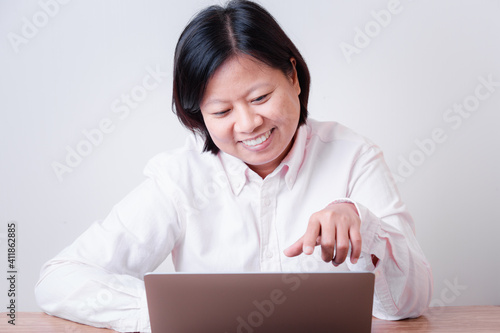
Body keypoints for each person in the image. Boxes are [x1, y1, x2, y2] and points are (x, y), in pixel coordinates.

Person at [35, 1, 433, 332]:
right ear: (199, 115)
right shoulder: (180, 179)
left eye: (260, 97)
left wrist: (364, 224)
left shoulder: (353, 158)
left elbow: (411, 304)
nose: (248, 125)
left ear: (293, 77)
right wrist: (167, 314)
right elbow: (59, 279)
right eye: (222, 110)